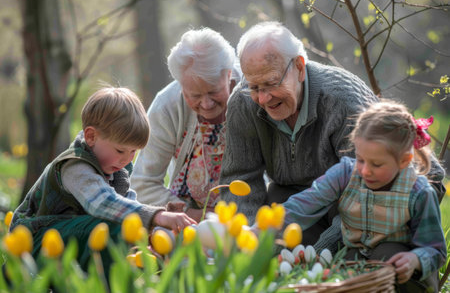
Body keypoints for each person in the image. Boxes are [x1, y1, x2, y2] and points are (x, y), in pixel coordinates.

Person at [219, 21, 378, 244]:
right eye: (254, 87)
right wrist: (246, 242)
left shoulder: (343, 102)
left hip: (356, 204)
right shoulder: (243, 101)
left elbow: (368, 194)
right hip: (293, 202)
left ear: (300, 68)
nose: (263, 98)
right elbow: (239, 179)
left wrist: (324, 252)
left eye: (271, 83)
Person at [10, 86, 196, 274]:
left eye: (134, 151)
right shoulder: (75, 166)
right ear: (91, 136)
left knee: (124, 229)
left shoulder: (116, 169)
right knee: (110, 230)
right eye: (120, 150)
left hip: (69, 235)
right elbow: (102, 203)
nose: (127, 159)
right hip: (32, 241)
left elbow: (127, 206)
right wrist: (157, 216)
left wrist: (147, 234)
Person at [283, 100, 446, 292]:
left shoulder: (418, 193)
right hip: (357, 257)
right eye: (360, 159)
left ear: (404, 160)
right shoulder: (346, 173)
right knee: (346, 261)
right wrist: (262, 228)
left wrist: (416, 259)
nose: (365, 171)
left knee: (386, 255)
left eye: (376, 164)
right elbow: (303, 204)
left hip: (402, 272)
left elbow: (436, 250)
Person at [131, 28, 241, 222]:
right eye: (195, 96)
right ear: (181, 84)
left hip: (247, 213)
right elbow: (143, 183)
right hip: (185, 218)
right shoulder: (166, 106)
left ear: (229, 74)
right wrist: (191, 215)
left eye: (214, 92)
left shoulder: (252, 92)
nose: (206, 104)